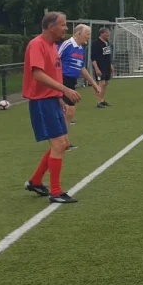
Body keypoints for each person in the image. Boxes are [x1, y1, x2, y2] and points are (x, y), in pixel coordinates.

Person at [22, 12, 81, 204]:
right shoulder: (37, 44)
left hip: (52, 101)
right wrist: (65, 90)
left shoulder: (53, 46)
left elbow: (53, 75)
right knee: (58, 145)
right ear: (50, 27)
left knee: (63, 144)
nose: (66, 28)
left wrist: (60, 98)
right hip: (41, 102)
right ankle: (55, 192)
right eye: (63, 25)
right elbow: (38, 74)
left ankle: (36, 181)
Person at [57, 25, 100, 134]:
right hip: (62, 80)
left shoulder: (81, 48)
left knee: (69, 112)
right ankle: (61, 140)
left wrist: (94, 84)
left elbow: (81, 67)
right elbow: (54, 59)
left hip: (71, 82)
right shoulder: (67, 45)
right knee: (68, 111)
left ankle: (63, 140)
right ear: (78, 33)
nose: (89, 37)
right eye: (87, 34)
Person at [91, 27, 113, 107]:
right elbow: (93, 58)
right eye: (106, 33)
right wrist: (96, 68)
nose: (108, 34)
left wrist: (110, 65)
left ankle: (102, 100)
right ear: (101, 33)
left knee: (106, 83)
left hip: (106, 66)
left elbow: (107, 56)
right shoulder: (96, 43)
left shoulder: (107, 42)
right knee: (102, 83)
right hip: (100, 66)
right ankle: (99, 102)